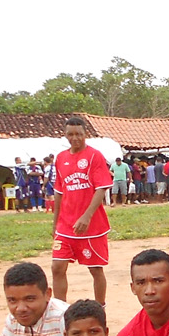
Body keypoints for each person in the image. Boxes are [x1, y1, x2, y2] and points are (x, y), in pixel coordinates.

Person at [51, 117, 111, 305]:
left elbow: (101, 188)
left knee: (95, 269)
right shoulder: (60, 158)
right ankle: (60, 310)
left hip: (91, 227)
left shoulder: (94, 156)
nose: (74, 138)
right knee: (57, 267)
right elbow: (59, 192)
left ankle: (100, 309)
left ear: (86, 134)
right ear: (65, 135)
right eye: (70, 134)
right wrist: (55, 223)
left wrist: (87, 216)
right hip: (65, 226)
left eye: (78, 134)